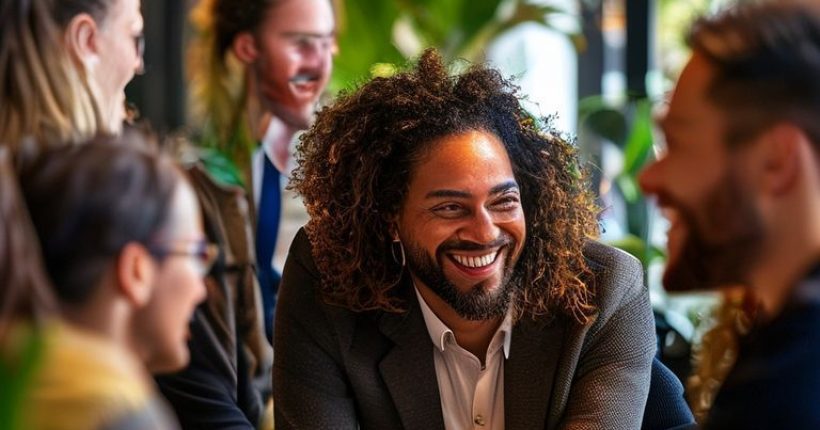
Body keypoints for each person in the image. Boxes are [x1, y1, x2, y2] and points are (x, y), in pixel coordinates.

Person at [274, 49, 655, 429]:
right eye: (450, 208)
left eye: (504, 201)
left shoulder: (604, 290)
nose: (485, 233)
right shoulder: (327, 281)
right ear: (389, 218)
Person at [639, 1, 820, 428]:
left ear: (777, 161)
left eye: (678, 144)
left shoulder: (790, 391)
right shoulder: (780, 351)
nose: (649, 179)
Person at [155, 0, 333, 427]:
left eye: (328, 44)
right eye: (303, 43)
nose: (322, 63)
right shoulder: (191, 178)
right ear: (247, 47)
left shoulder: (308, 164)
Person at [16, 139, 209, 429]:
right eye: (195, 254)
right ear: (136, 271)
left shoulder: (17, 375)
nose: (202, 289)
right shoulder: (121, 415)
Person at [0, 0, 144, 155]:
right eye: (135, 38)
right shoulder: (96, 175)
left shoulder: (15, 166)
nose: (138, 64)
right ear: (86, 39)